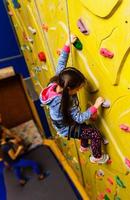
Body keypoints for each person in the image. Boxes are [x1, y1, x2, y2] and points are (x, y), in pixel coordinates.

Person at [40, 35, 109, 164]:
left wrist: (67, 44)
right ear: (69, 89)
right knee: (94, 134)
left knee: (84, 129)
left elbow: (61, 63)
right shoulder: (64, 102)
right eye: (78, 89)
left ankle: (83, 146)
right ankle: (97, 157)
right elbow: (79, 118)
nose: (78, 91)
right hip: (67, 128)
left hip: (64, 122)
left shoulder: (58, 81)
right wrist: (95, 106)